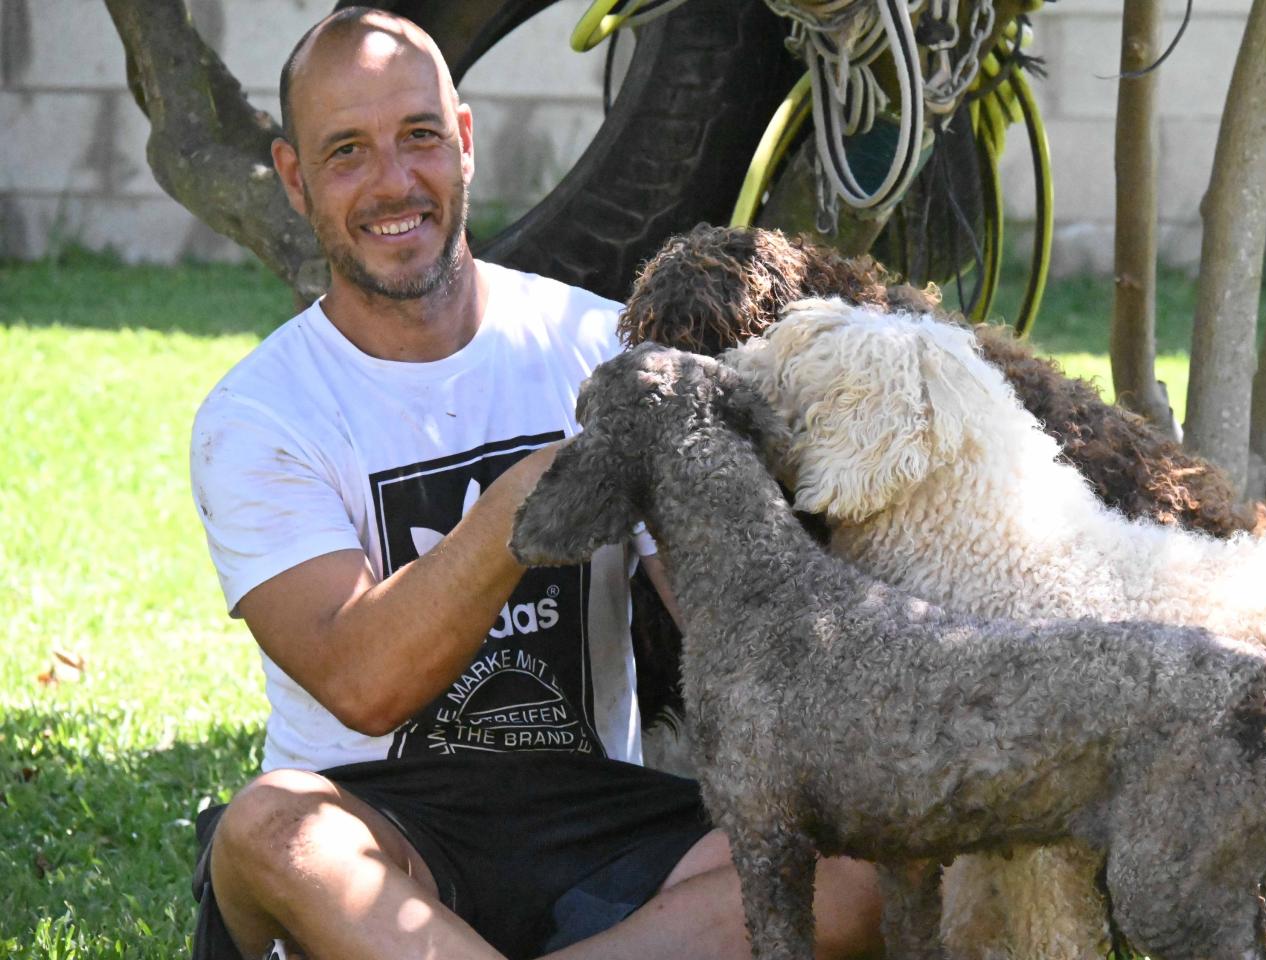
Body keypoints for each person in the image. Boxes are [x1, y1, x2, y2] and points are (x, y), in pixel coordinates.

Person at [187, 8, 883, 958]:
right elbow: (362, 681)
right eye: (347, 152)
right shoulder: (258, 413)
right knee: (269, 829)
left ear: (465, 141)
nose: (395, 182)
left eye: (420, 137)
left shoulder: (600, 343)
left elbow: (728, 619)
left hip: (598, 810)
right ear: (296, 178)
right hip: (380, 824)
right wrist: (528, 498)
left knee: (856, 871)